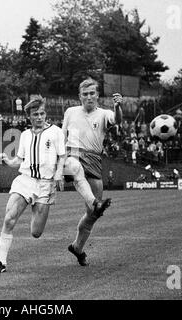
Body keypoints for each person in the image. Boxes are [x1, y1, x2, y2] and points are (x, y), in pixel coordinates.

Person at [0, 97, 66, 274]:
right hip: (26, 181)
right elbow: (19, 161)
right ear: (29, 117)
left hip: (46, 185)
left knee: (36, 232)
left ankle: (34, 206)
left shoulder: (56, 132)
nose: (40, 117)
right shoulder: (25, 135)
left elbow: (62, 156)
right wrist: (7, 160)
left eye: (42, 113)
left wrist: (59, 173)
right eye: (35, 114)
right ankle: (1, 262)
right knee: (9, 218)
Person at [61, 78, 123, 266]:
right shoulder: (71, 112)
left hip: (94, 159)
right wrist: (59, 161)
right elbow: (61, 136)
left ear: (97, 95)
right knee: (74, 168)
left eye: (92, 93)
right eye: (85, 94)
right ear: (79, 96)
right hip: (74, 155)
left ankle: (77, 248)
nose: (89, 97)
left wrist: (118, 106)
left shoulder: (104, 114)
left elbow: (117, 120)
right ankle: (93, 202)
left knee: (93, 214)